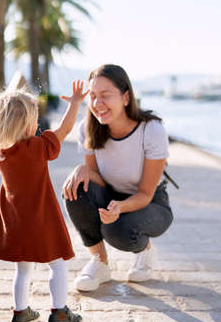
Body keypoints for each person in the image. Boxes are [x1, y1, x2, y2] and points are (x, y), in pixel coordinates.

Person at [0, 80, 88, 322]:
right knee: (57, 262)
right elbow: (65, 129)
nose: (38, 125)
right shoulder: (38, 147)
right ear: (25, 124)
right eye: (35, 120)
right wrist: (76, 103)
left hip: (15, 219)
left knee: (23, 269)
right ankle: (60, 313)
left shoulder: (3, 151)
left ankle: (21, 313)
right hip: (42, 217)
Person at [63, 64, 174, 291]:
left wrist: (119, 208)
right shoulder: (88, 129)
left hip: (150, 202)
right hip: (112, 193)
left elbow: (145, 193)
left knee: (116, 231)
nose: (97, 104)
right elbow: (97, 180)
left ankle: (145, 252)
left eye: (105, 96)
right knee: (76, 189)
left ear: (125, 97)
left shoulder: (151, 130)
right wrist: (82, 171)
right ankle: (99, 263)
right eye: (92, 96)